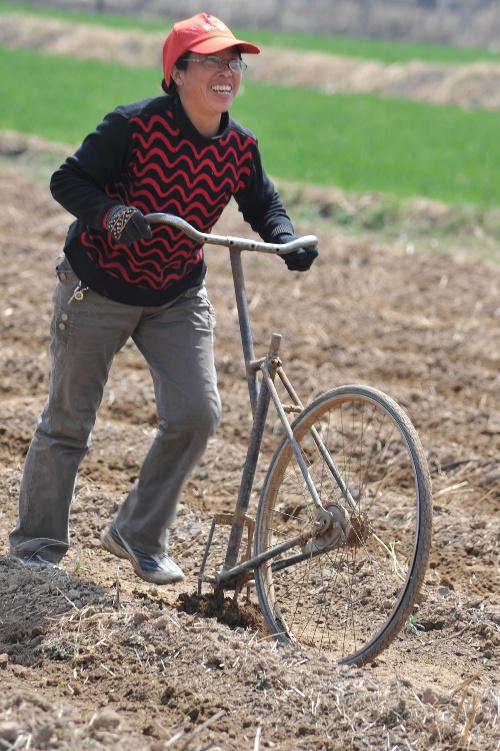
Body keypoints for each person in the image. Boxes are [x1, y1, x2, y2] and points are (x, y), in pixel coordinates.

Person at [9, 12, 318, 584]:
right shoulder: (132, 127)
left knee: (198, 414)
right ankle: (37, 545)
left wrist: (285, 239)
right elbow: (67, 181)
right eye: (211, 61)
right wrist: (114, 215)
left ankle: (137, 533)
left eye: (234, 62)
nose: (227, 72)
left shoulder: (240, 146)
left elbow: (264, 205)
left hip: (176, 293)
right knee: (69, 421)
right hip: (97, 286)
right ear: (176, 73)